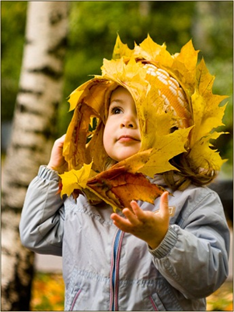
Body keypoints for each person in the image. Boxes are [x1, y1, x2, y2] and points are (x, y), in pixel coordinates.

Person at [20, 35, 230, 311]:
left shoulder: (191, 199)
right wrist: (51, 174)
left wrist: (163, 239)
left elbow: (209, 277)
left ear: (175, 131)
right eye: (116, 110)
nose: (127, 120)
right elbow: (35, 233)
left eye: (145, 111)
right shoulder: (87, 196)